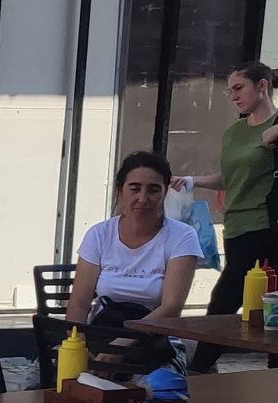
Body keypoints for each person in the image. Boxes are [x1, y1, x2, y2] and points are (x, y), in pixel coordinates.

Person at [177, 63, 278, 370]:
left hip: (269, 224)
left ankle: (199, 369)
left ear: (262, 85)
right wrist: (195, 181)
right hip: (236, 226)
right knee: (264, 298)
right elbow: (232, 178)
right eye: (230, 90)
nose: (233, 97)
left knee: (226, 297)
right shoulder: (234, 133)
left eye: (239, 88)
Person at [65, 151, 201, 375]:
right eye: (135, 188)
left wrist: (122, 344)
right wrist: (78, 344)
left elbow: (172, 306)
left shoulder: (182, 236)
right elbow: (79, 301)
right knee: (44, 381)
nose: (143, 198)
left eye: (154, 189)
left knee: (154, 392)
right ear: (121, 191)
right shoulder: (99, 234)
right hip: (101, 332)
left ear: (165, 192)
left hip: (155, 339)